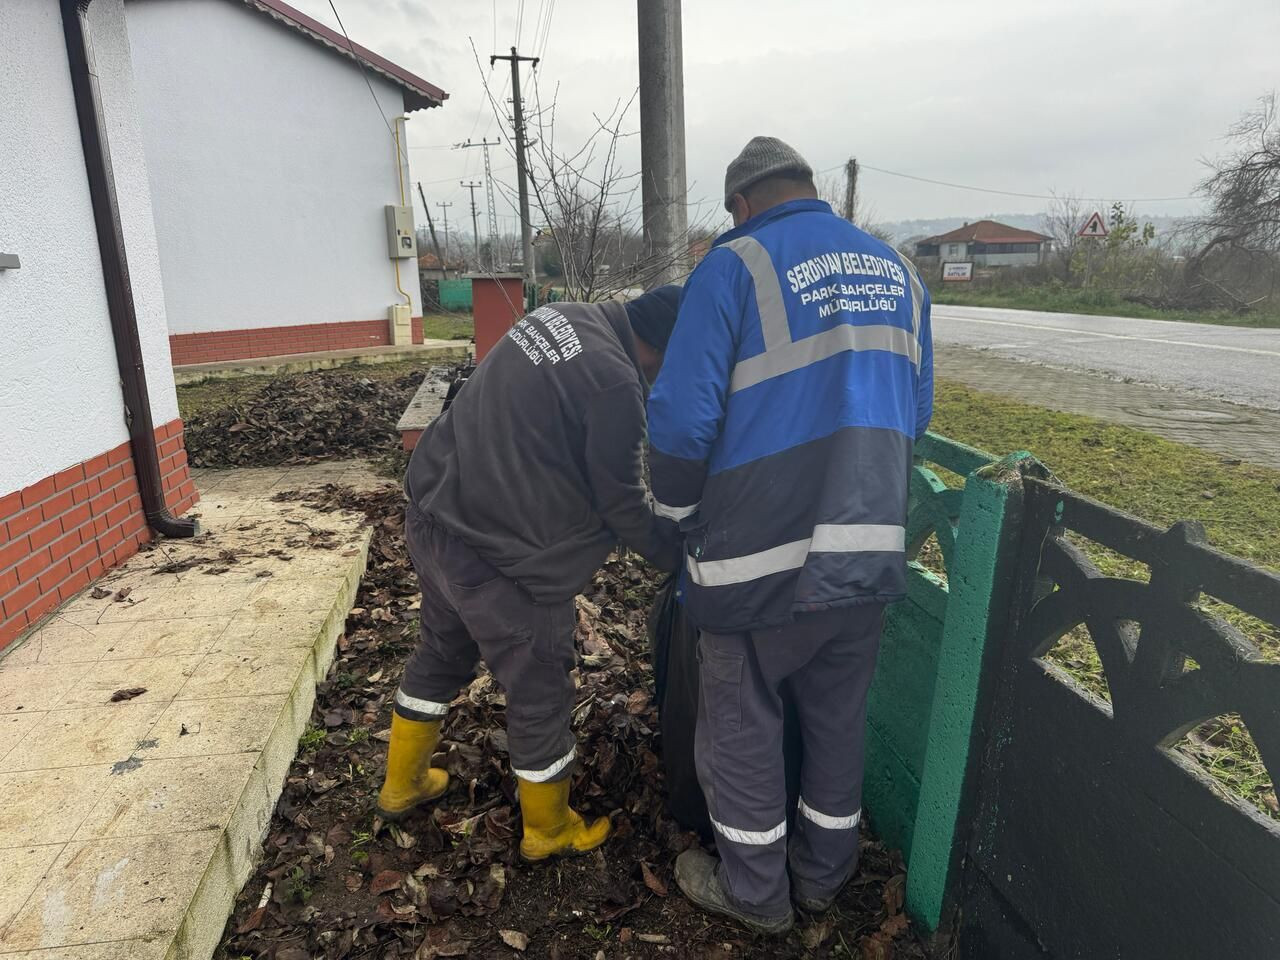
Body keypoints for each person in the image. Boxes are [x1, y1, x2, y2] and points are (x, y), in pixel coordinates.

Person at [647, 137, 934, 934]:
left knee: (741, 732)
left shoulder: (733, 267)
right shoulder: (901, 272)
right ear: (812, 190)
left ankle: (755, 895)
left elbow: (679, 425)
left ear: (741, 205)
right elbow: (919, 414)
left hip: (756, 564)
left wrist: (674, 519)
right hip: (867, 556)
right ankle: (820, 879)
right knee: (838, 725)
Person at [377, 287, 683, 861]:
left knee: (440, 653)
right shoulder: (616, 383)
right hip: (505, 561)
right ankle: (549, 829)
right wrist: (677, 552)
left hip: (437, 516)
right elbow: (623, 503)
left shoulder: (560, 317)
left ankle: (402, 783)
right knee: (540, 690)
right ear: (665, 352)